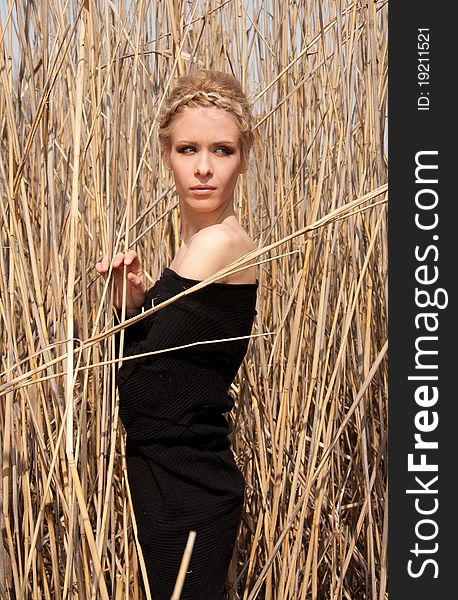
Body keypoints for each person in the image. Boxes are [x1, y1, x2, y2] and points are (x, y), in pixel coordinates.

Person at [95, 69, 259, 599]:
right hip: (171, 485)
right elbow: (160, 376)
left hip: (192, 493)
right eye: (188, 149)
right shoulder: (192, 250)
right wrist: (136, 307)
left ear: (245, 157)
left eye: (223, 150)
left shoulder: (218, 247)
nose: (205, 168)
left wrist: (136, 327)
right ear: (166, 155)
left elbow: (146, 393)